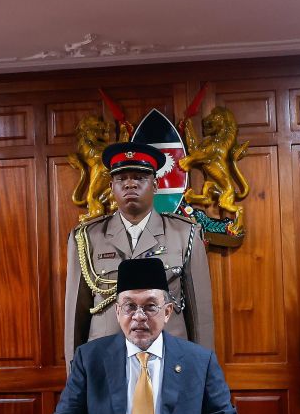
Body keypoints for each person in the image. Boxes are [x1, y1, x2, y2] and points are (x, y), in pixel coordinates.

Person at [48, 257, 242, 414]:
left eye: (150, 307)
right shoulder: (90, 357)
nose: (139, 317)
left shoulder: (199, 360)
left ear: (167, 312)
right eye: (129, 306)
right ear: (117, 312)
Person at [63, 141, 213, 369]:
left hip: (170, 362)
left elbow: (200, 316)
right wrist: (75, 376)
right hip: (105, 363)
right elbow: (76, 317)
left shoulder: (185, 233)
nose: (130, 184)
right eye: (121, 179)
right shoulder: (86, 238)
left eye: (140, 178)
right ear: (111, 187)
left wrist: (202, 374)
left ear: (155, 185)